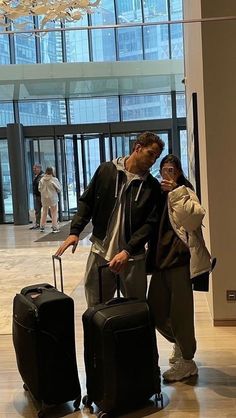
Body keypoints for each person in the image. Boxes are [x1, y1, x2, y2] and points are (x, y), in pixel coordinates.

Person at [55, 131, 164, 307]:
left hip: (132, 258)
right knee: (96, 307)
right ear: (137, 148)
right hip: (100, 252)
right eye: (150, 154)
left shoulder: (152, 186)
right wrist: (75, 231)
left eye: (156, 157)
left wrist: (127, 251)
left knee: (136, 311)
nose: (152, 161)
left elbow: (150, 224)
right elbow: (87, 202)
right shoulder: (106, 170)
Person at [147, 154, 212, 383]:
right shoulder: (155, 191)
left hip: (180, 259)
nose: (168, 174)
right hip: (159, 259)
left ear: (179, 171)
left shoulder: (184, 190)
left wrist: (175, 191)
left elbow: (193, 219)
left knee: (181, 314)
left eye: (172, 169)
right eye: (164, 169)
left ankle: (187, 361)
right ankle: (180, 343)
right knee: (154, 309)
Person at [38, 167, 62, 233]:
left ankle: (42, 226)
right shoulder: (54, 179)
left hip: (44, 198)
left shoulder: (42, 179)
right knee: (54, 212)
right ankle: (54, 227)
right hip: (52, 198)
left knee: (44, 212)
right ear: (52, 171)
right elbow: (59, 188)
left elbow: (39, 189)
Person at [29, 163, 44, 229]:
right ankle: (38, 224)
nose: (34, 170)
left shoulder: (42, 176)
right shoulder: (36, 176)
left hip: (42, 196)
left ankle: (55, 221)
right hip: (38, 196)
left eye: (35, 168)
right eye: (33, 168)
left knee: (47, 209)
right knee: (37, 210)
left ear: (39, 168)